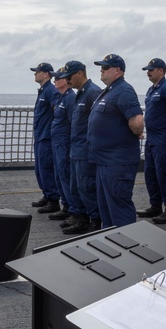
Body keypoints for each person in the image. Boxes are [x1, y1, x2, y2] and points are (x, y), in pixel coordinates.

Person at [89, 54, 144, 228]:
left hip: (117, 163)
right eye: (101, 67)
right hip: (104, 162)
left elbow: (137, 122)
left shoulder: (124, 91)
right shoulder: (110, 90)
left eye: (105, 68)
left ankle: (127, 246)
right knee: (106, 209)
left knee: (119, 208)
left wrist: (137, 132)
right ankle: (110, 246)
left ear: (117, 70)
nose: (101, 70)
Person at [60, 61, 103, 234]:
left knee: (88, 187)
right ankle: (82, 218)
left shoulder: (93, 92)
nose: (67, 80)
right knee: (76, 187)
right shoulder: (80, 94)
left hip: (86, 151)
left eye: (69, 77)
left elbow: (99, 122)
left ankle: (94, 221)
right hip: (76, 149)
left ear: (79, 73)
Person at [136, 58, 166, 223]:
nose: (148, 72)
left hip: (163, 140)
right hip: (152, 139)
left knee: (164, 175)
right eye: (148, 69)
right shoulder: (151, 90)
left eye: (151, 69)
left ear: (161, 70)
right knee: (151, 174)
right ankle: (155, 206)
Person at [30, 62, 61, 213]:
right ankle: (47, 195)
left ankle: (53, 200)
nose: (35, 74)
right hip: (40, 136)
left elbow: (58, 111)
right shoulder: (43, 90)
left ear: (46, 74)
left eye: (37, 71)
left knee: (47, 168)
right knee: (40, 169)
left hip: (47, 137)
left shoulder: (50, 90)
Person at [49, 72, 76, 223]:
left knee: (66, 176)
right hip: (57, 143)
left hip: (65, 144)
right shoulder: (61, 97)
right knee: (59, 176)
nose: (55, 81)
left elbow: (74, 122)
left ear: (66, 81)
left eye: (58, 79)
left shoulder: (70, 98)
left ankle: (73, 210)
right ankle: (66, 206)